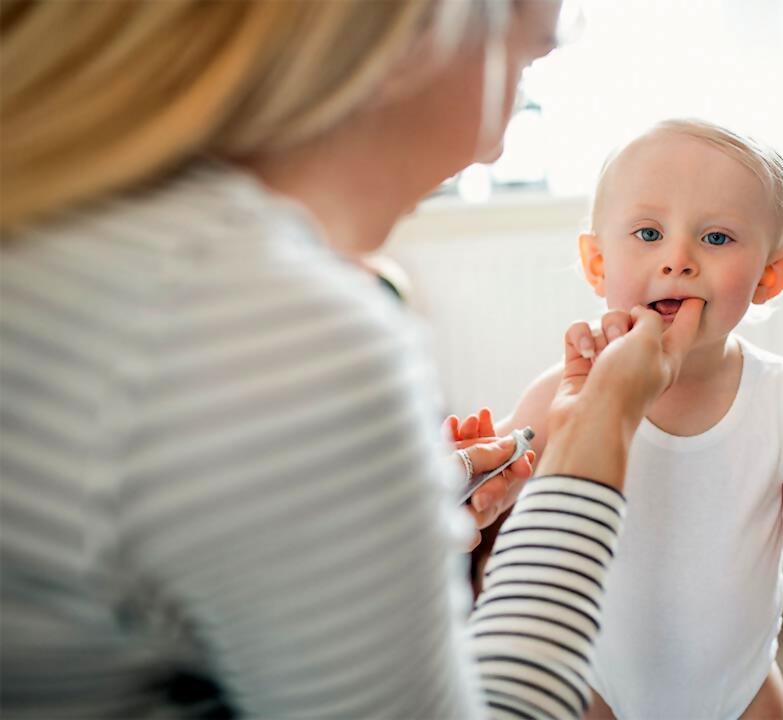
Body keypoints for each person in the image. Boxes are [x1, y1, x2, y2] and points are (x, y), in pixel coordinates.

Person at [0, 2, 705, 718]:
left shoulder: (75, 241)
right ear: (411, 36)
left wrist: (383, 517)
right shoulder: (268, 328)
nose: (494, 146)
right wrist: (594, 442)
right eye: (524, 60)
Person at [477, 119, 783, 719]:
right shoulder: (570, 392)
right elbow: (505, 473)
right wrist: (478, 460)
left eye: (716, 238)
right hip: (600, 680)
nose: (678, 260)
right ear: (597, 261)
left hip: (739, 688)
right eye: (648, 232)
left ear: (769, 276)